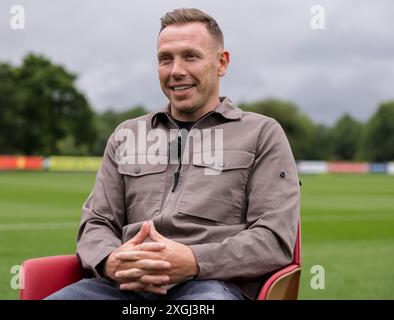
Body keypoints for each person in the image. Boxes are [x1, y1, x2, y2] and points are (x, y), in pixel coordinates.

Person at [47, 7, 300, 300]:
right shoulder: (127, 134)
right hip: (122, 287)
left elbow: (274, 239)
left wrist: (193, 261)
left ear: (222, 63)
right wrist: (110, 261)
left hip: (213, 286)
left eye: (190, 56)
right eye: (165, 59)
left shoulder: (262, 133)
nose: (176, 70)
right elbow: (97, 222)